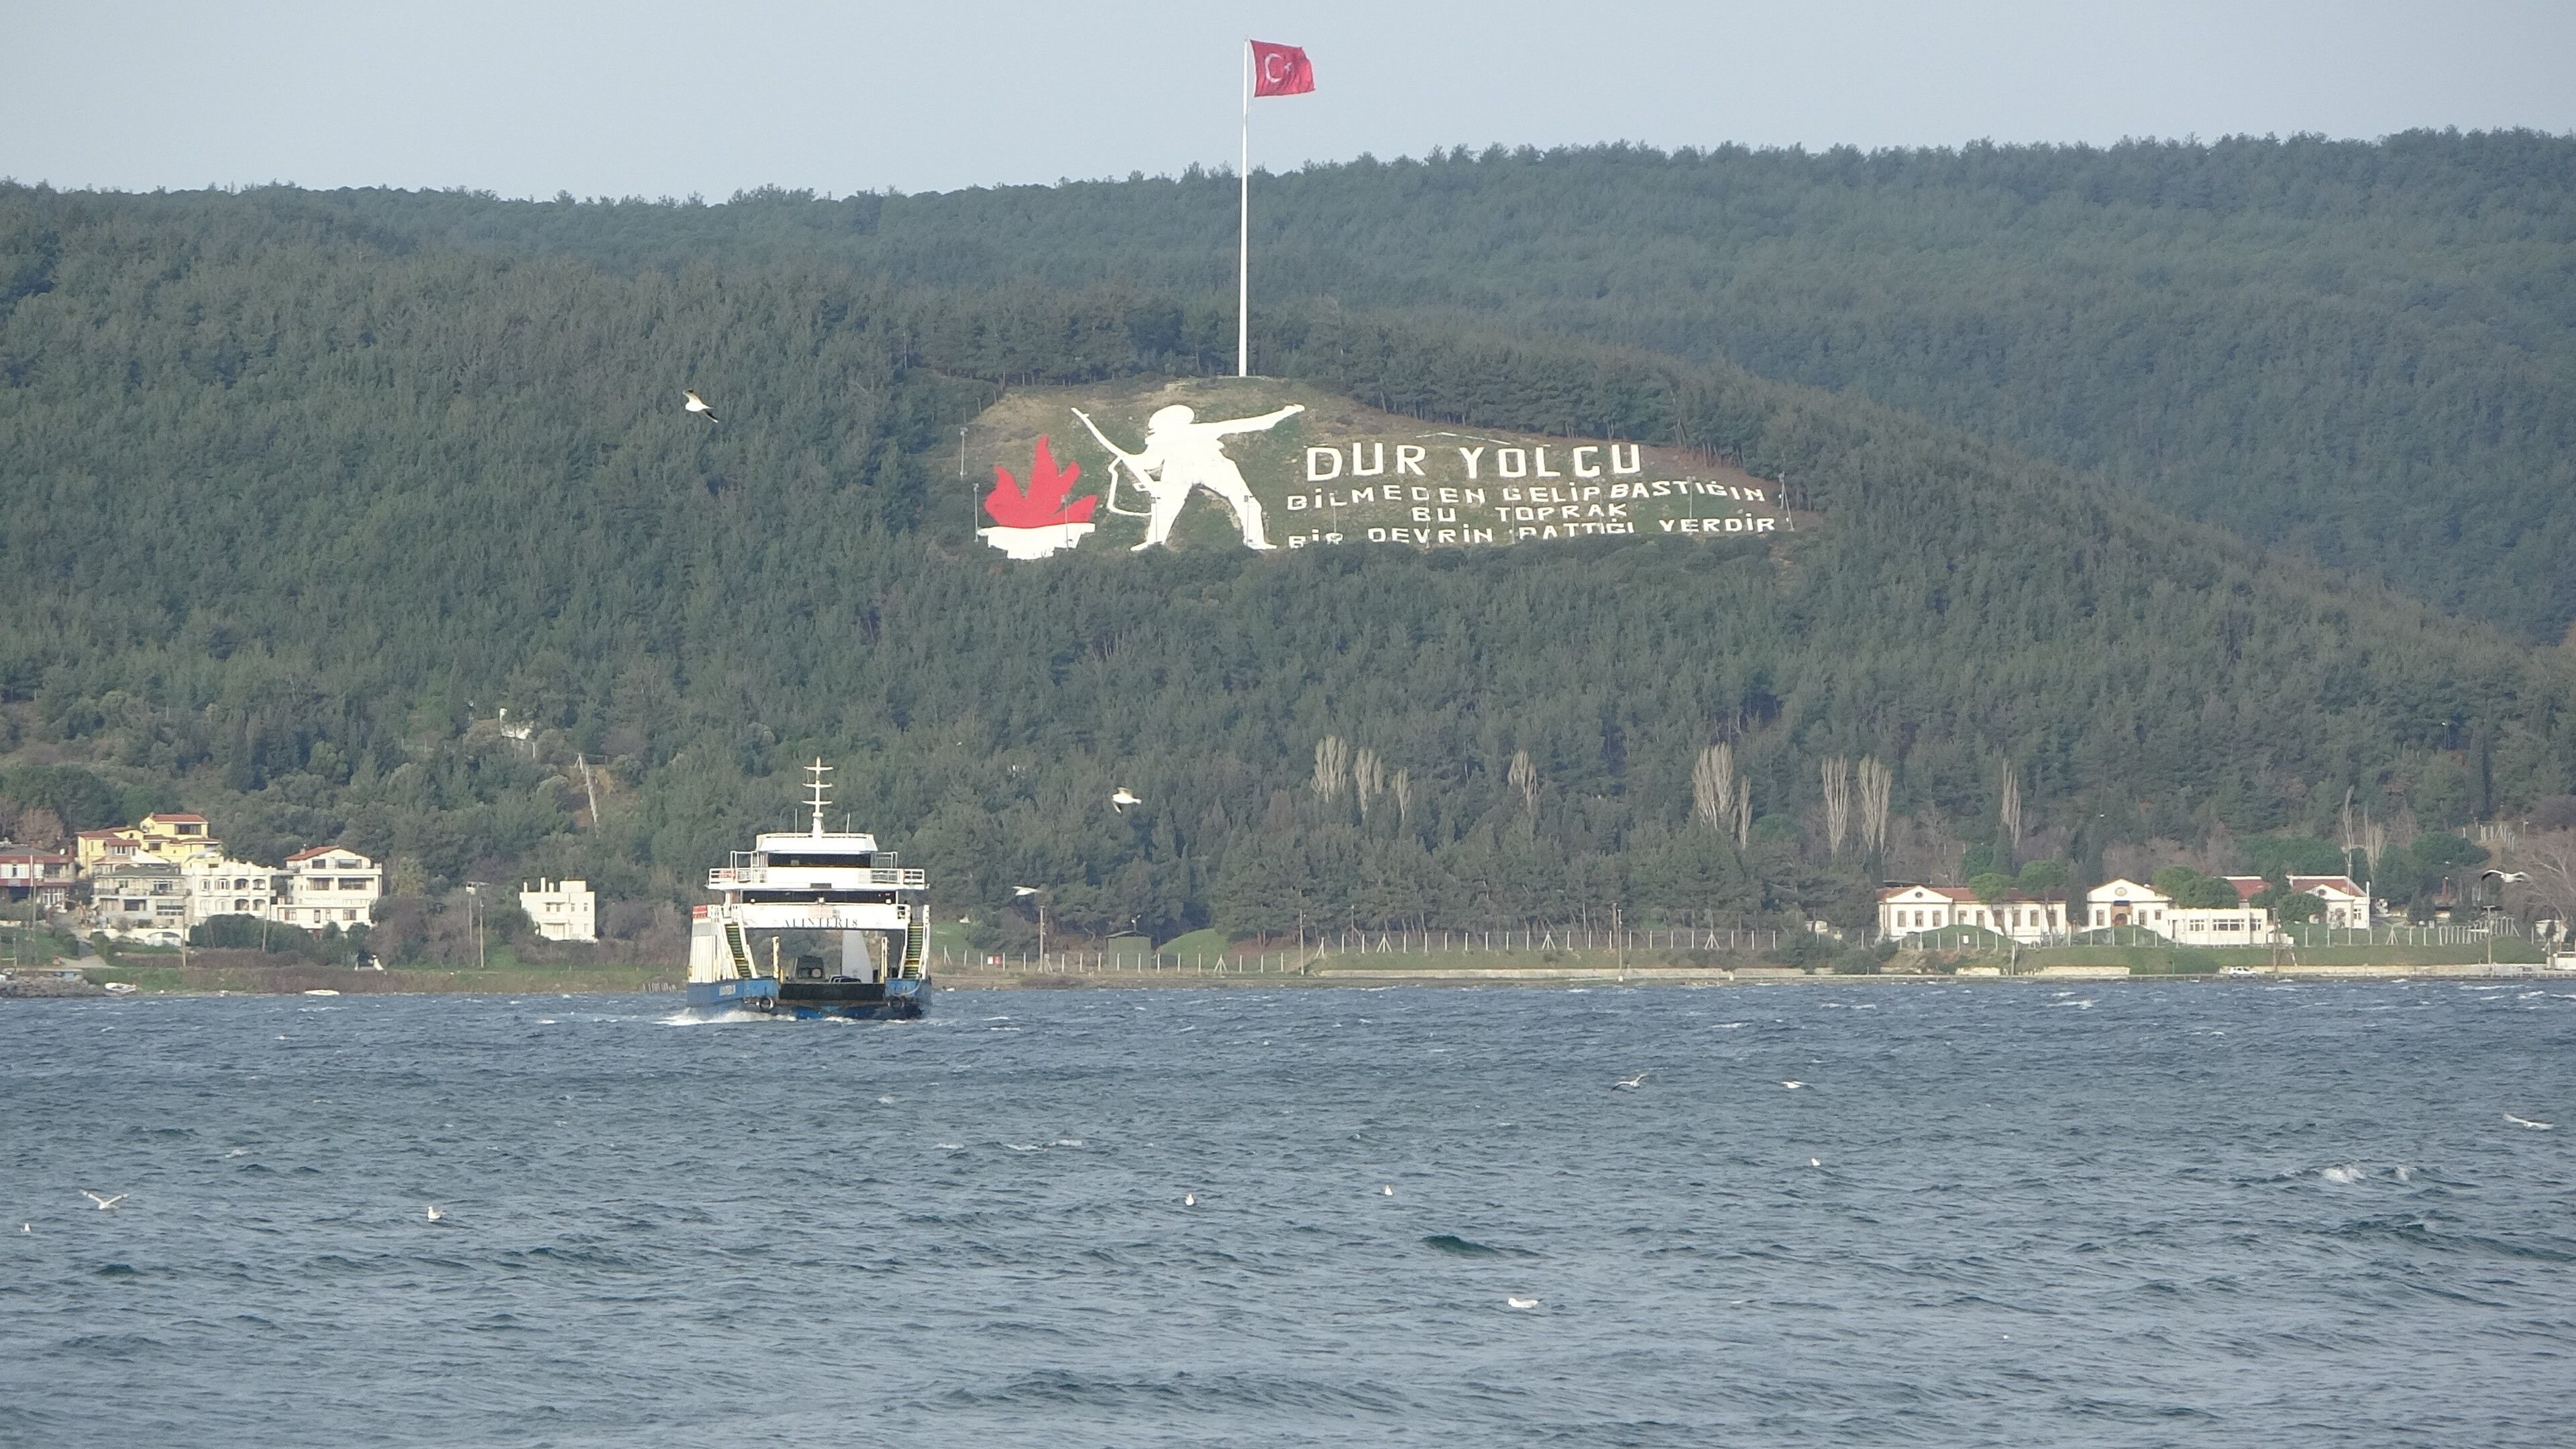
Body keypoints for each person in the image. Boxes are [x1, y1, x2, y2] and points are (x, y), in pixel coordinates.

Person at [1076, 402, 1303, 550]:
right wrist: (1132, 461)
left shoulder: (1200, 430)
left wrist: (1283, 414)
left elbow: (1252, 424)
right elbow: (1150, 462)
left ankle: (1255, 540)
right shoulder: (1162, 439)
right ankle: (1154, 542)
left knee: (1247, 502)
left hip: (1213, 466)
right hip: (1180, 469)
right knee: (1166, 505)